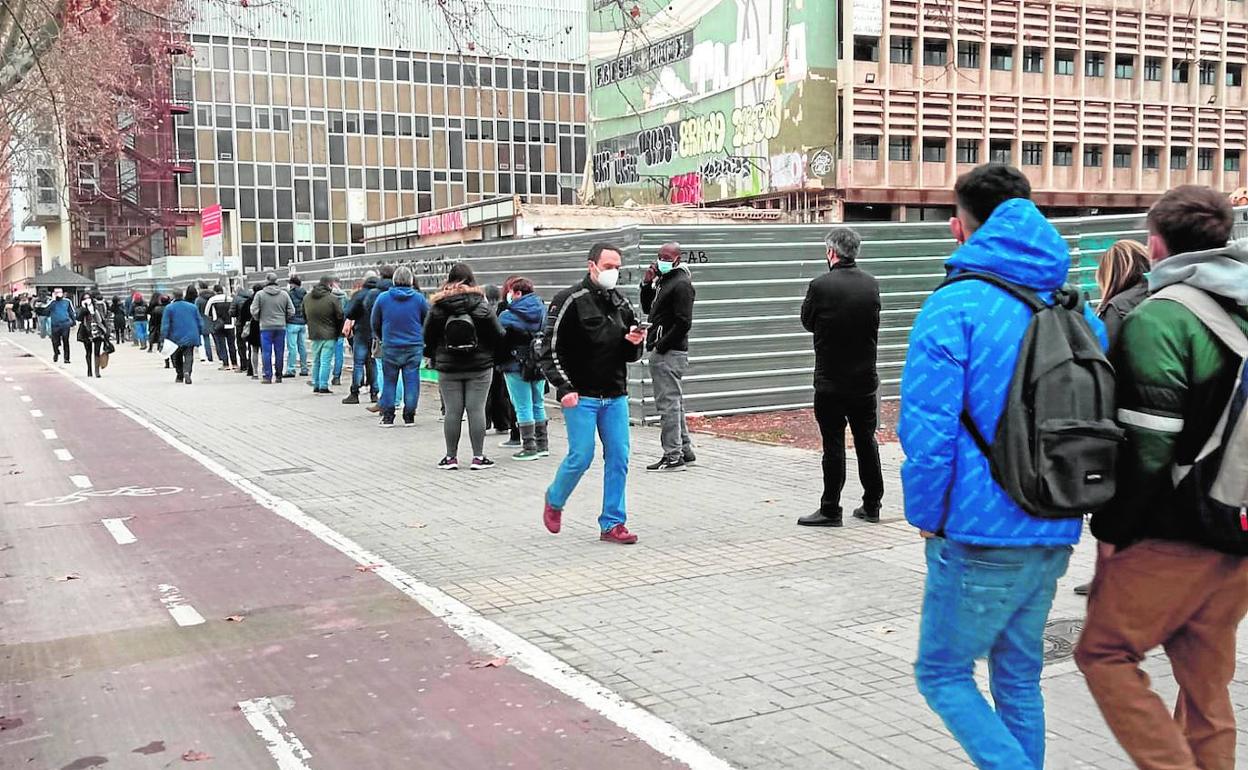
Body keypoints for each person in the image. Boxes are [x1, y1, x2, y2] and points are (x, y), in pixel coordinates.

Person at [899, 164, 1107, 770]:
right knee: (1017, 680)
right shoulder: (1074, 309)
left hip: (976, 529)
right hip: (1056, 520)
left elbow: (928, 431)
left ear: (960, 226)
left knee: (942, 673)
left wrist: (927, 515)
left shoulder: (953, 305)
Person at [1075, 186, 1248, 770]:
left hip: (1179, 531)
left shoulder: (1162, 316)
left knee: (1103, 653)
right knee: (1205, 693)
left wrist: (1113, 530)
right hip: (1240, 529)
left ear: (1156, 243)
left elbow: (1149, 448)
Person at [539, 243, 646, 544]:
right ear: (592, 266)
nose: (614, 272)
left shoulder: (621, 302)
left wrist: (634, 341)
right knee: (581, 456)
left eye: (617, 267)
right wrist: (564, 387)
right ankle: (555, 498)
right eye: (608, 265)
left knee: (619, 457)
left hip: (614, 394)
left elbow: (630, 353)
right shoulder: (569, 300)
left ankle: (613, 523)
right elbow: (548, 349)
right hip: (581, 395)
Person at [797, 228, 884, 527]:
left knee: (833, 444)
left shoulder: (820, 286)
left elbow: (807, 321)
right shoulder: (871, 285)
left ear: (831, 253)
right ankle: (872, 504)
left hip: (830, 381)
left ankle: (831, 508)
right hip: (864, 380)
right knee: (866, 440)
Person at [423, 263, 504, 468]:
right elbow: (498, 334)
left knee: (452, 412)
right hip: (480, 367)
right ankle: (478, 457)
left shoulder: (438, 306)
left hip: (448, 367)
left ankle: (451, 457)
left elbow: (427, 337)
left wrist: (435, 356)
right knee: (476, 410)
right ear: (471, 280)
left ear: (449, 280)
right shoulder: (480, 304)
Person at [640, 242, 697, 472]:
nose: (661, 260)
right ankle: (684, 449)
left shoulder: (681, 284)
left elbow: (684, 322)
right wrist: (646, 284)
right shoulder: (664, 282)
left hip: (670, 352)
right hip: (664, 350)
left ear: (677, 259)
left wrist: (661, 346)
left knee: (668, 405)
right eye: (659, 256)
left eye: (666, 257)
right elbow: (648, 309)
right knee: (674, 403)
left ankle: (673, 456)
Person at [370, 266, 430, 426]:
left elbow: (374, 322)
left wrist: (382, 337)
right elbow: (427, 320)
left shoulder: (383, 298)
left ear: (394, 280)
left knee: (390, 381)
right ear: (411, 281)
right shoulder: (419, 299)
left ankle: (388, 416)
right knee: (411, 380)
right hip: (413, 346)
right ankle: (409, 416)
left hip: (390, 346)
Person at [498, 278, 549, 461]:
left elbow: (499, 341)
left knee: (522, 406)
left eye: (511, 292)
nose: (509, 296)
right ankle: (543, 444)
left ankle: (529, 447)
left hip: (515, 364)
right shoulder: (544, 309)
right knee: (538, 402)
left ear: (518, 293)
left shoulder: (507, 315)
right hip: (539, 363)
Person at [342, 270, 380, 405]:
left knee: (358, 364)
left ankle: (354, 393)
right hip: (375, 334)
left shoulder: (359, 294)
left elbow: (349, 313)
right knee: (374, 362)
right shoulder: (380, 294)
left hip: (361, 333)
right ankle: (375, 393)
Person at [365, 265, 399, 413]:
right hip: (401, 336)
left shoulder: (375, 294)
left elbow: (369, 311)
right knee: (400, 371)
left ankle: (384, 400)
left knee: (381, 368)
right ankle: (398, 400)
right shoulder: (402, 291)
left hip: (381, 337)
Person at [304, 275, 346, 395]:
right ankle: (323, 385)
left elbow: (303, 314)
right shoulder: (332, 299)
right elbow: (340, 316)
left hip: (314, 333)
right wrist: (339, 332)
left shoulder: (307, 297)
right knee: (325, 361)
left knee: (316, 360)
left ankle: (315, 384)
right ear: (329, 285)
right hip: (329, 334)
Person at [251, 272, 295, 384]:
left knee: (266, 352)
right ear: (276, 281)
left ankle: (267, 376)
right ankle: (279, 375)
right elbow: (292, 311)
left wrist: (258, 318)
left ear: (266, 280)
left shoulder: (260, 295)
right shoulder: (284, 294)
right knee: (279, 351)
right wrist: (284, 318)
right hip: (280, 326)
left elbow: (254, 310)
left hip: (265, 327)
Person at [162, 286, 205, 385]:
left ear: (173, 296)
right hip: (190, 335)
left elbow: (166, 324)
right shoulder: (192, 307)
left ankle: (180, 375)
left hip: (175, 337)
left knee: (177, 356)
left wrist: (164, 336)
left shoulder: (169, 308)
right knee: (189, 355)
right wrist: (200, 332)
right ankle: (187, 371)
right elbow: (199, 321)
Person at [76, 293, 110, 378]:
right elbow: (78, 318)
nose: (87, 300)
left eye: (88, 298)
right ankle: (89, 370)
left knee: (97, 352)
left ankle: (97, 371)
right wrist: (84, 309)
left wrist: (105, 330)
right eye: (85, 298)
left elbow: (101, 319)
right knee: (88, 352)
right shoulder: (81, 309)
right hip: (86, 332)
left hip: (97, 332)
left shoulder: (96, 307)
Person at [204, 284, 238, 370]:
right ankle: (234, 363)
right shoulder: (230, 298)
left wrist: (213, 318)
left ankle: (225, 364)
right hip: (230, 324)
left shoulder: (212, 300)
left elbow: (206, 313)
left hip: (219, 325)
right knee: (232, 344)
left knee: (222, 345)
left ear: (215, 291)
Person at [284, 274, 310, 378]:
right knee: (302, 347)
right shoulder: (305, 295)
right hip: (303, 324)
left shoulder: (289, 295)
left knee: (292, 348)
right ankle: (304, 369)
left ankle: (291, 369)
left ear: (292, 284)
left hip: (292, 323)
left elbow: (287, 308)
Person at [231, 282, 256, 376]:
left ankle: (243, 365)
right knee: (251, 346)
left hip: (240, 324)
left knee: (241, 346)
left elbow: (232, 312)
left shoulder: (236, 299)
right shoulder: (251, 298)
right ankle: (251, 365)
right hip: (251, 324)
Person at [47, 288, 74, 364]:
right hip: (55, 325)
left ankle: (66, 358)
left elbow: (71, 311)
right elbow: (46, 311)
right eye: (56, 292)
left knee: (66, 341)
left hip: (65, 324)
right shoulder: (52, 302)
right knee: (55, 341)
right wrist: (52, 301)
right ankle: (56, 352)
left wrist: (73, 321)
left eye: (59, 292)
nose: (58, 294)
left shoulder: (67, 302)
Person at [331, 278, 348, 387]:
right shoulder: (345, 297)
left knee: (326, 356)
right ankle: (337, 377)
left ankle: (322, 379)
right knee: (339, 355)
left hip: (328, 330)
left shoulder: (328, 297)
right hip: (341, 329)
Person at [194, 280, 214, 363]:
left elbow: (196, 311)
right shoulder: (213, 297)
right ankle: (221, 357)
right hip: (214, 320)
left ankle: (208, 356)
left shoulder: (199, 299)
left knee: (206, 339)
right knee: (217, 339)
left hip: (203, 320)